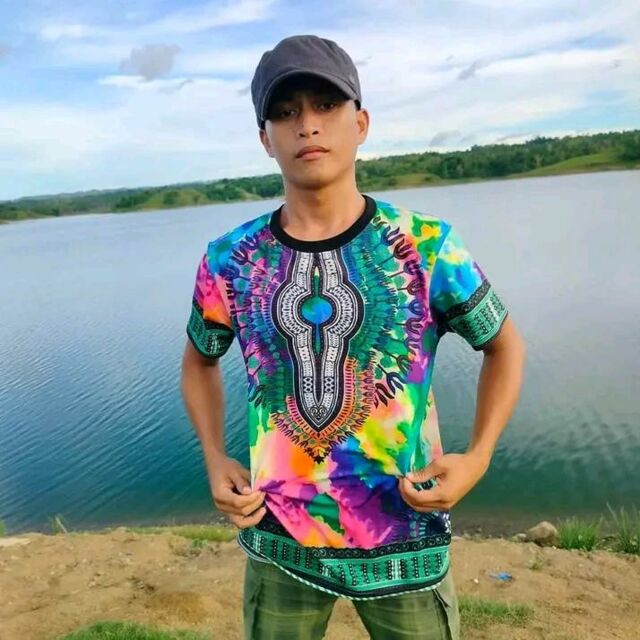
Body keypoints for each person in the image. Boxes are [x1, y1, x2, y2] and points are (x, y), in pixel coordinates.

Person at [180, 34, 526, 640]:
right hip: (279, 538)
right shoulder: (229, 260)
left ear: (360, 123)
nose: (307, 125)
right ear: (265, 139)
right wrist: (214, 456)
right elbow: (198, 362)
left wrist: (478, 456)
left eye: (326, 105)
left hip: (406, 534)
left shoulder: (427, 246)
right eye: (285, 112)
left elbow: (504, 346)